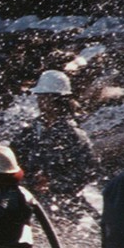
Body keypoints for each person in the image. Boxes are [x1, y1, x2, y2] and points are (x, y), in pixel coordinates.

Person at [8, 69, 96, 221]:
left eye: (44, 97)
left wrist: (53, 183)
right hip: (32, 200)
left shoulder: (74, 135)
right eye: (40, 97)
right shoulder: (32, 130)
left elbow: (88, 172)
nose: (40, 102)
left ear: (58, 100)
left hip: (63, 206)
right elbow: (14, 156)